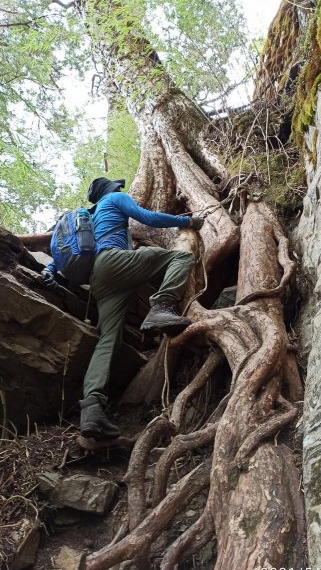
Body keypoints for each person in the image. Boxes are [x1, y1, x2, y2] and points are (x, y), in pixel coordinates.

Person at [42, 177, 204, 440]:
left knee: (108, 339)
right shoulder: (115, 199)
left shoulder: (88, 216)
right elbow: (148, 217)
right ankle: (162, 305)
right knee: (181, 256)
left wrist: (49, 269)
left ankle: (92, 409)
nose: (122, 189)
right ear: (114, 189)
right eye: (119, 187)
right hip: (113, 262)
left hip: (99, 281)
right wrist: (188, 222)